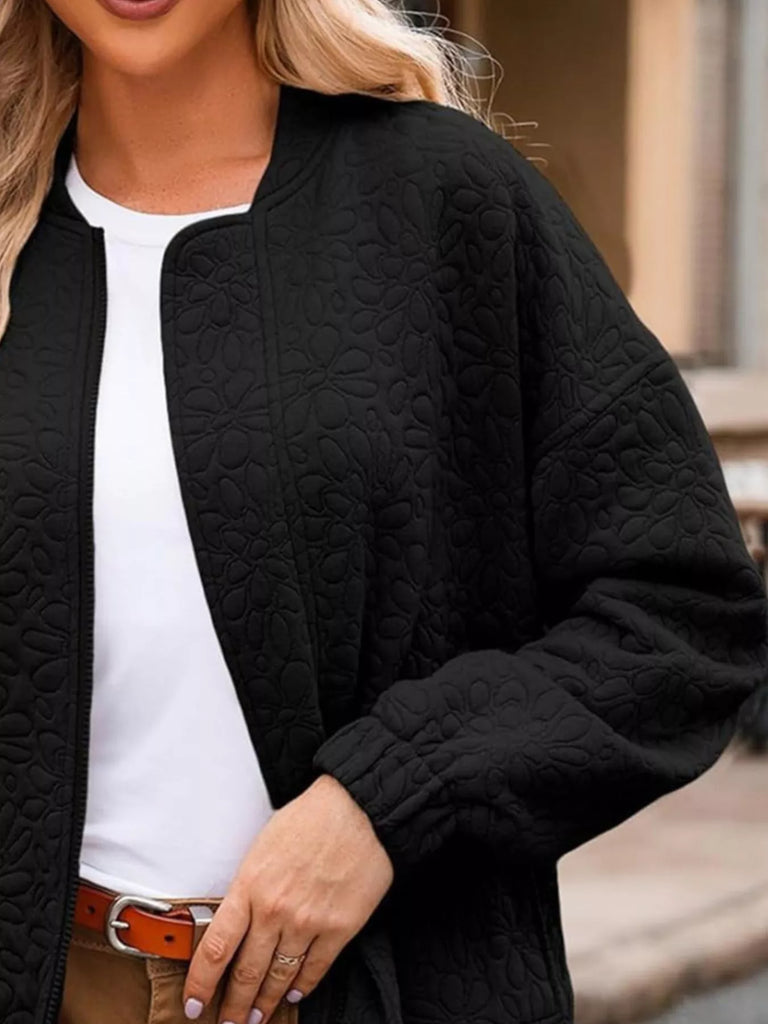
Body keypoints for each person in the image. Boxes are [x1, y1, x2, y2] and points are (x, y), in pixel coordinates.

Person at [0, 1, 766, 1023]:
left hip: (377, 988)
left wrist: (389, 797)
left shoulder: (437, 200)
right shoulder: (12, 222)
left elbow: (684, 611)